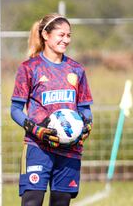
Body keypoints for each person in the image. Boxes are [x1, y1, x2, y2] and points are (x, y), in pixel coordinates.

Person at [10, 13, 93, 206]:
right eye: (61, 35)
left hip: (70, 149)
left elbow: (85, 109)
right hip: (37, 147)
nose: (66, 40)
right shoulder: (29, 68)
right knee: (31, 202)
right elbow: (15, 110)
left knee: (61, 203)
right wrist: (36, 130)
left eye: (68, 35)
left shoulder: (77, 70)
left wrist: (87, 125)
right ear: (46, 35)